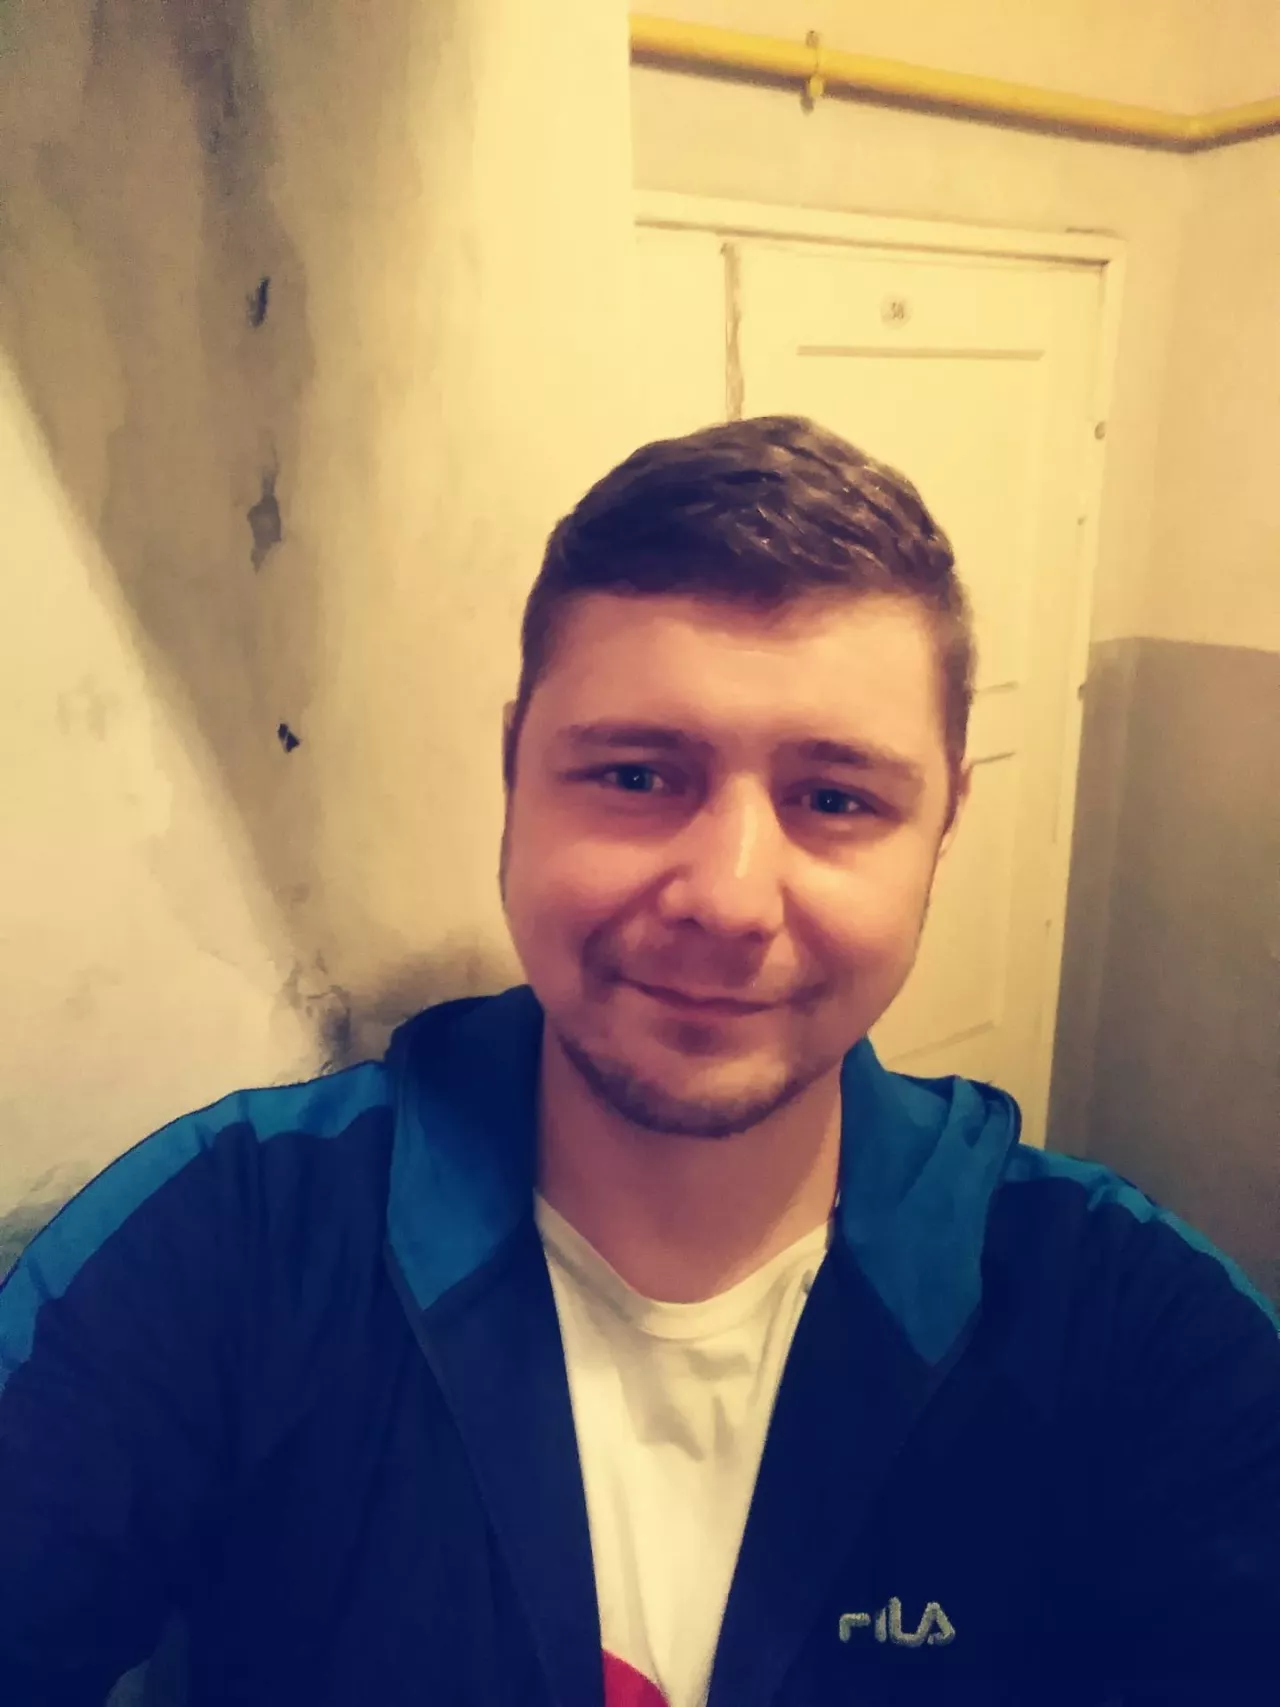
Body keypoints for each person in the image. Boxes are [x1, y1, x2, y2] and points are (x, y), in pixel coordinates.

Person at [1, 416, 1276, 1707]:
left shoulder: (1130, 1333)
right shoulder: (231, 1248)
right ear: (516, 773)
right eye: (634, 774)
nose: (728, 897)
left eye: (836, 799)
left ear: (944, 824)